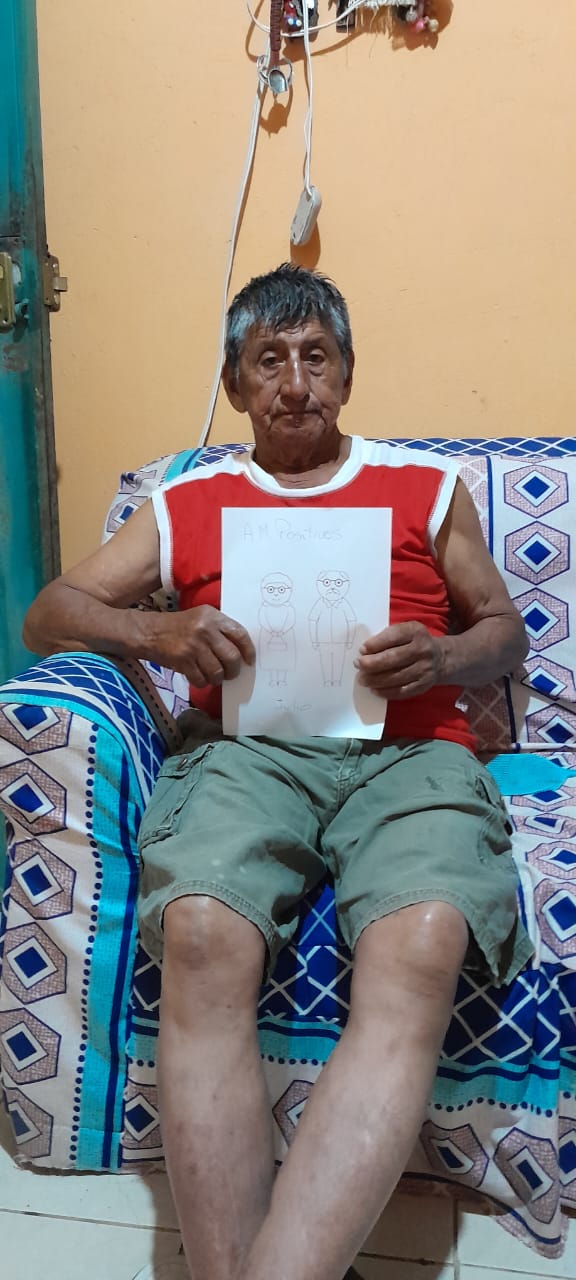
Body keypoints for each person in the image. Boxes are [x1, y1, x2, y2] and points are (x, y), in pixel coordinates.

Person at [24, 263, 533, 1280]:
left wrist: (445, 656)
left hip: (409, 755)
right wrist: (157, 630)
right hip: (244, 752)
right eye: (269, 360)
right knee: (202, 929)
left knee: (425, 937)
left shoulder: (426, 489)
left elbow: (505, 629)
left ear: (347, 373)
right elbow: (49, 614)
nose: (296, 383)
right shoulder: (188, 500)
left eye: (316, 357)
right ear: (234, 382)